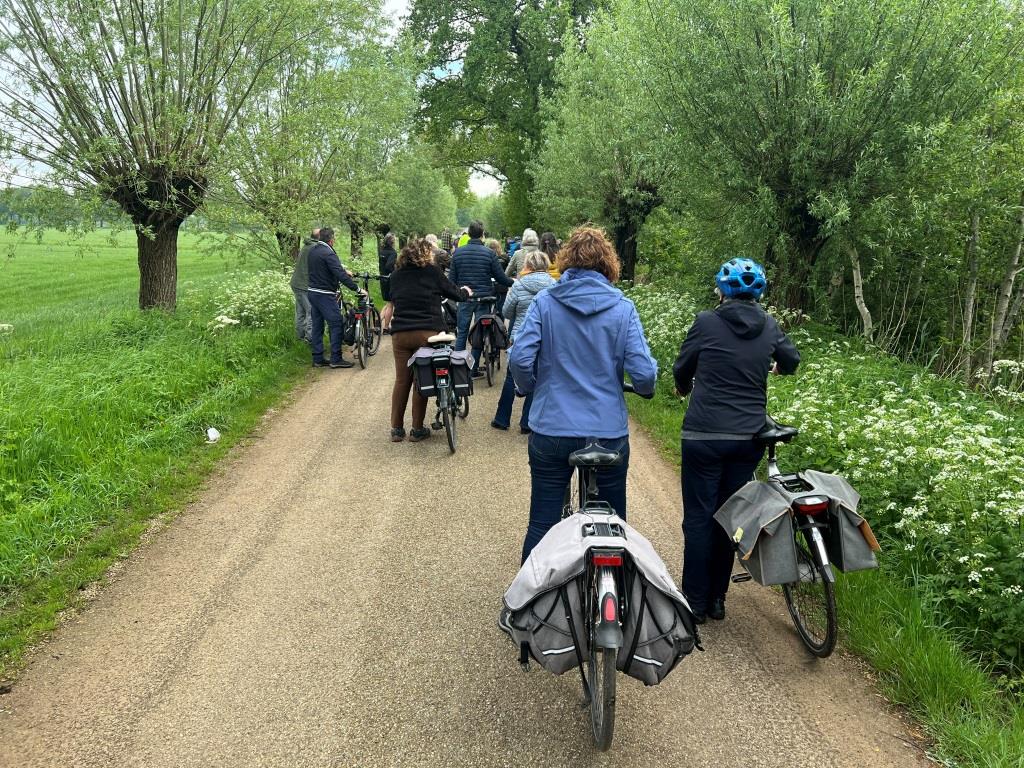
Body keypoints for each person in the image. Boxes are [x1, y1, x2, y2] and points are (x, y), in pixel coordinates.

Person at [508, 226, 657, 563]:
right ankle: (618, 599)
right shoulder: (623, 308)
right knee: (615, 522)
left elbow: (519, 358)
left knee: (543, 522)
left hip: (552, 428)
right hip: (606, 433)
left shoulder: (546, 302)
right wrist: (645, 390)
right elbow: (644, 373)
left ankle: (530, 607)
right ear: (609, 266)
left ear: (566, 262)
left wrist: (530, 387)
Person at [673, 258, 800, 624]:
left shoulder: (706, 322)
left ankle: (694, 604)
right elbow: (791, 361)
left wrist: (682, 387)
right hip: (747, 438)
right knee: (728, 516)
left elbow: (684, 366)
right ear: (758, 294)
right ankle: (717, 600)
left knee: (698, 518)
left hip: (703, 436)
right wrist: (774, 366)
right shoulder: (770, 325)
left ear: (722, 291)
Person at [387, 238, 473, 442]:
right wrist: (466, 292)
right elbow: (455, 293)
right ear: (427, 254)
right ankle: (417, 429)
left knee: (402, 380)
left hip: (400, 334)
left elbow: (392, 297)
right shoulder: (432, 272)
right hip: (427, 333)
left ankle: (397, 429)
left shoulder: (395, 275)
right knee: (421, 379)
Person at [491, 251, 555, 433]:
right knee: (537, 376)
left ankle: (502, 419)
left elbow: (506, 312)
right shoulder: (554, 286)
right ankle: (527, 422)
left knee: (511, 377)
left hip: (520, 335)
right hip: (544, 337)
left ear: (528, 265)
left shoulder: (519, 285)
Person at [448, 220, 513, 377]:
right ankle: (473, 368)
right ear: (483, 235)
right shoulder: (489, 254)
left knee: (462, 332)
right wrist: (515, 283)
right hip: (484, 299)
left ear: (469, 234)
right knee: (479, 333)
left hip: (465, 299)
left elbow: (451, 280)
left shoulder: (458, 253)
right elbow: (500, 277)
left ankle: (458, 369)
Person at [306, 226, 364, 369]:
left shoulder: (313, 251)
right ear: (331, 240)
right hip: (324, 294)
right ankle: (336, 358)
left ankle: (318, 358)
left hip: (312, 292)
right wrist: (357, 288)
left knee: (317, 325)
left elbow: (325, 268)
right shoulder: (328, 253)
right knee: (336, 323)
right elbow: (339, 274)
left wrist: (342, 270)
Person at [290, 228, 319, 342]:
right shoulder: (314, 248)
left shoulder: (307, 245)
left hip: (296, 283)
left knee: (300, 312)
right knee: (311, 311)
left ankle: (300, 337)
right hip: (303, 285)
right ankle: (309, 339)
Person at [378, 232, 398, 335]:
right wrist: (395, 269)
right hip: (389, 279)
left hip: (382, 278)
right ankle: (385, 328)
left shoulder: (381, 251)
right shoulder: (393, 253)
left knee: (387, 303)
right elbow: (389, 266)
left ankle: (377, 323)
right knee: (391, 304)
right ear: (392, 242)